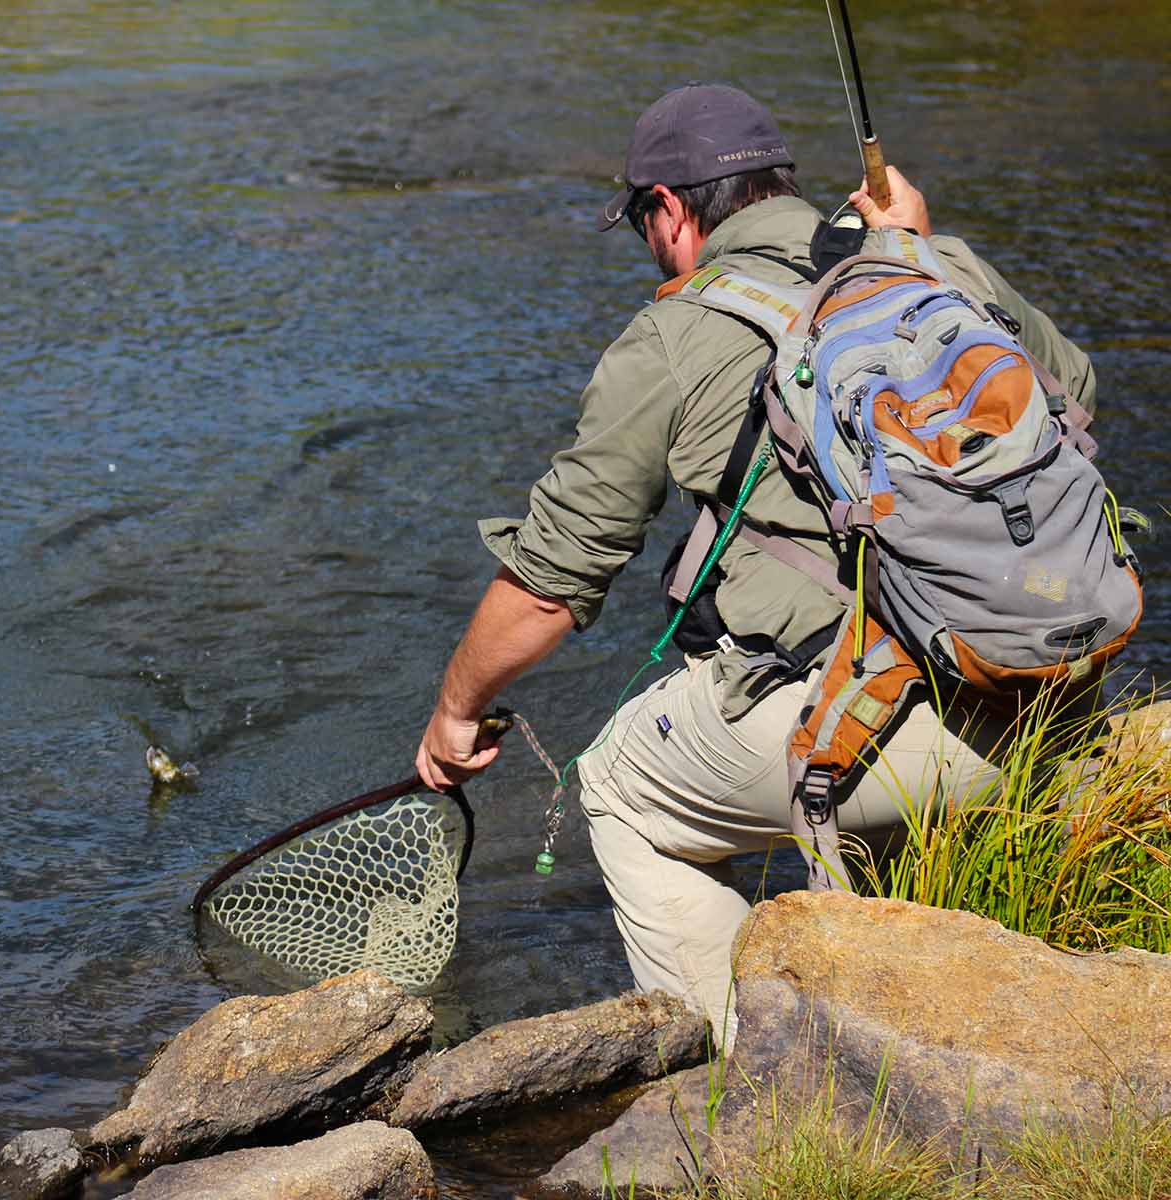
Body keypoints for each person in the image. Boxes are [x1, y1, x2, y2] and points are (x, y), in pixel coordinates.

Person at [411, 83, 1096, 1044]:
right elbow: (1077, 394)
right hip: (1047, 690)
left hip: (895, 730)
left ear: (672, 211)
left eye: (644, 223)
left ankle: (750, 1076)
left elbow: (550, 585)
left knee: (618, 786)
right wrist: (927, 251)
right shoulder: (925, 264)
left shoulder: (676, 334)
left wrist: (453, 713)